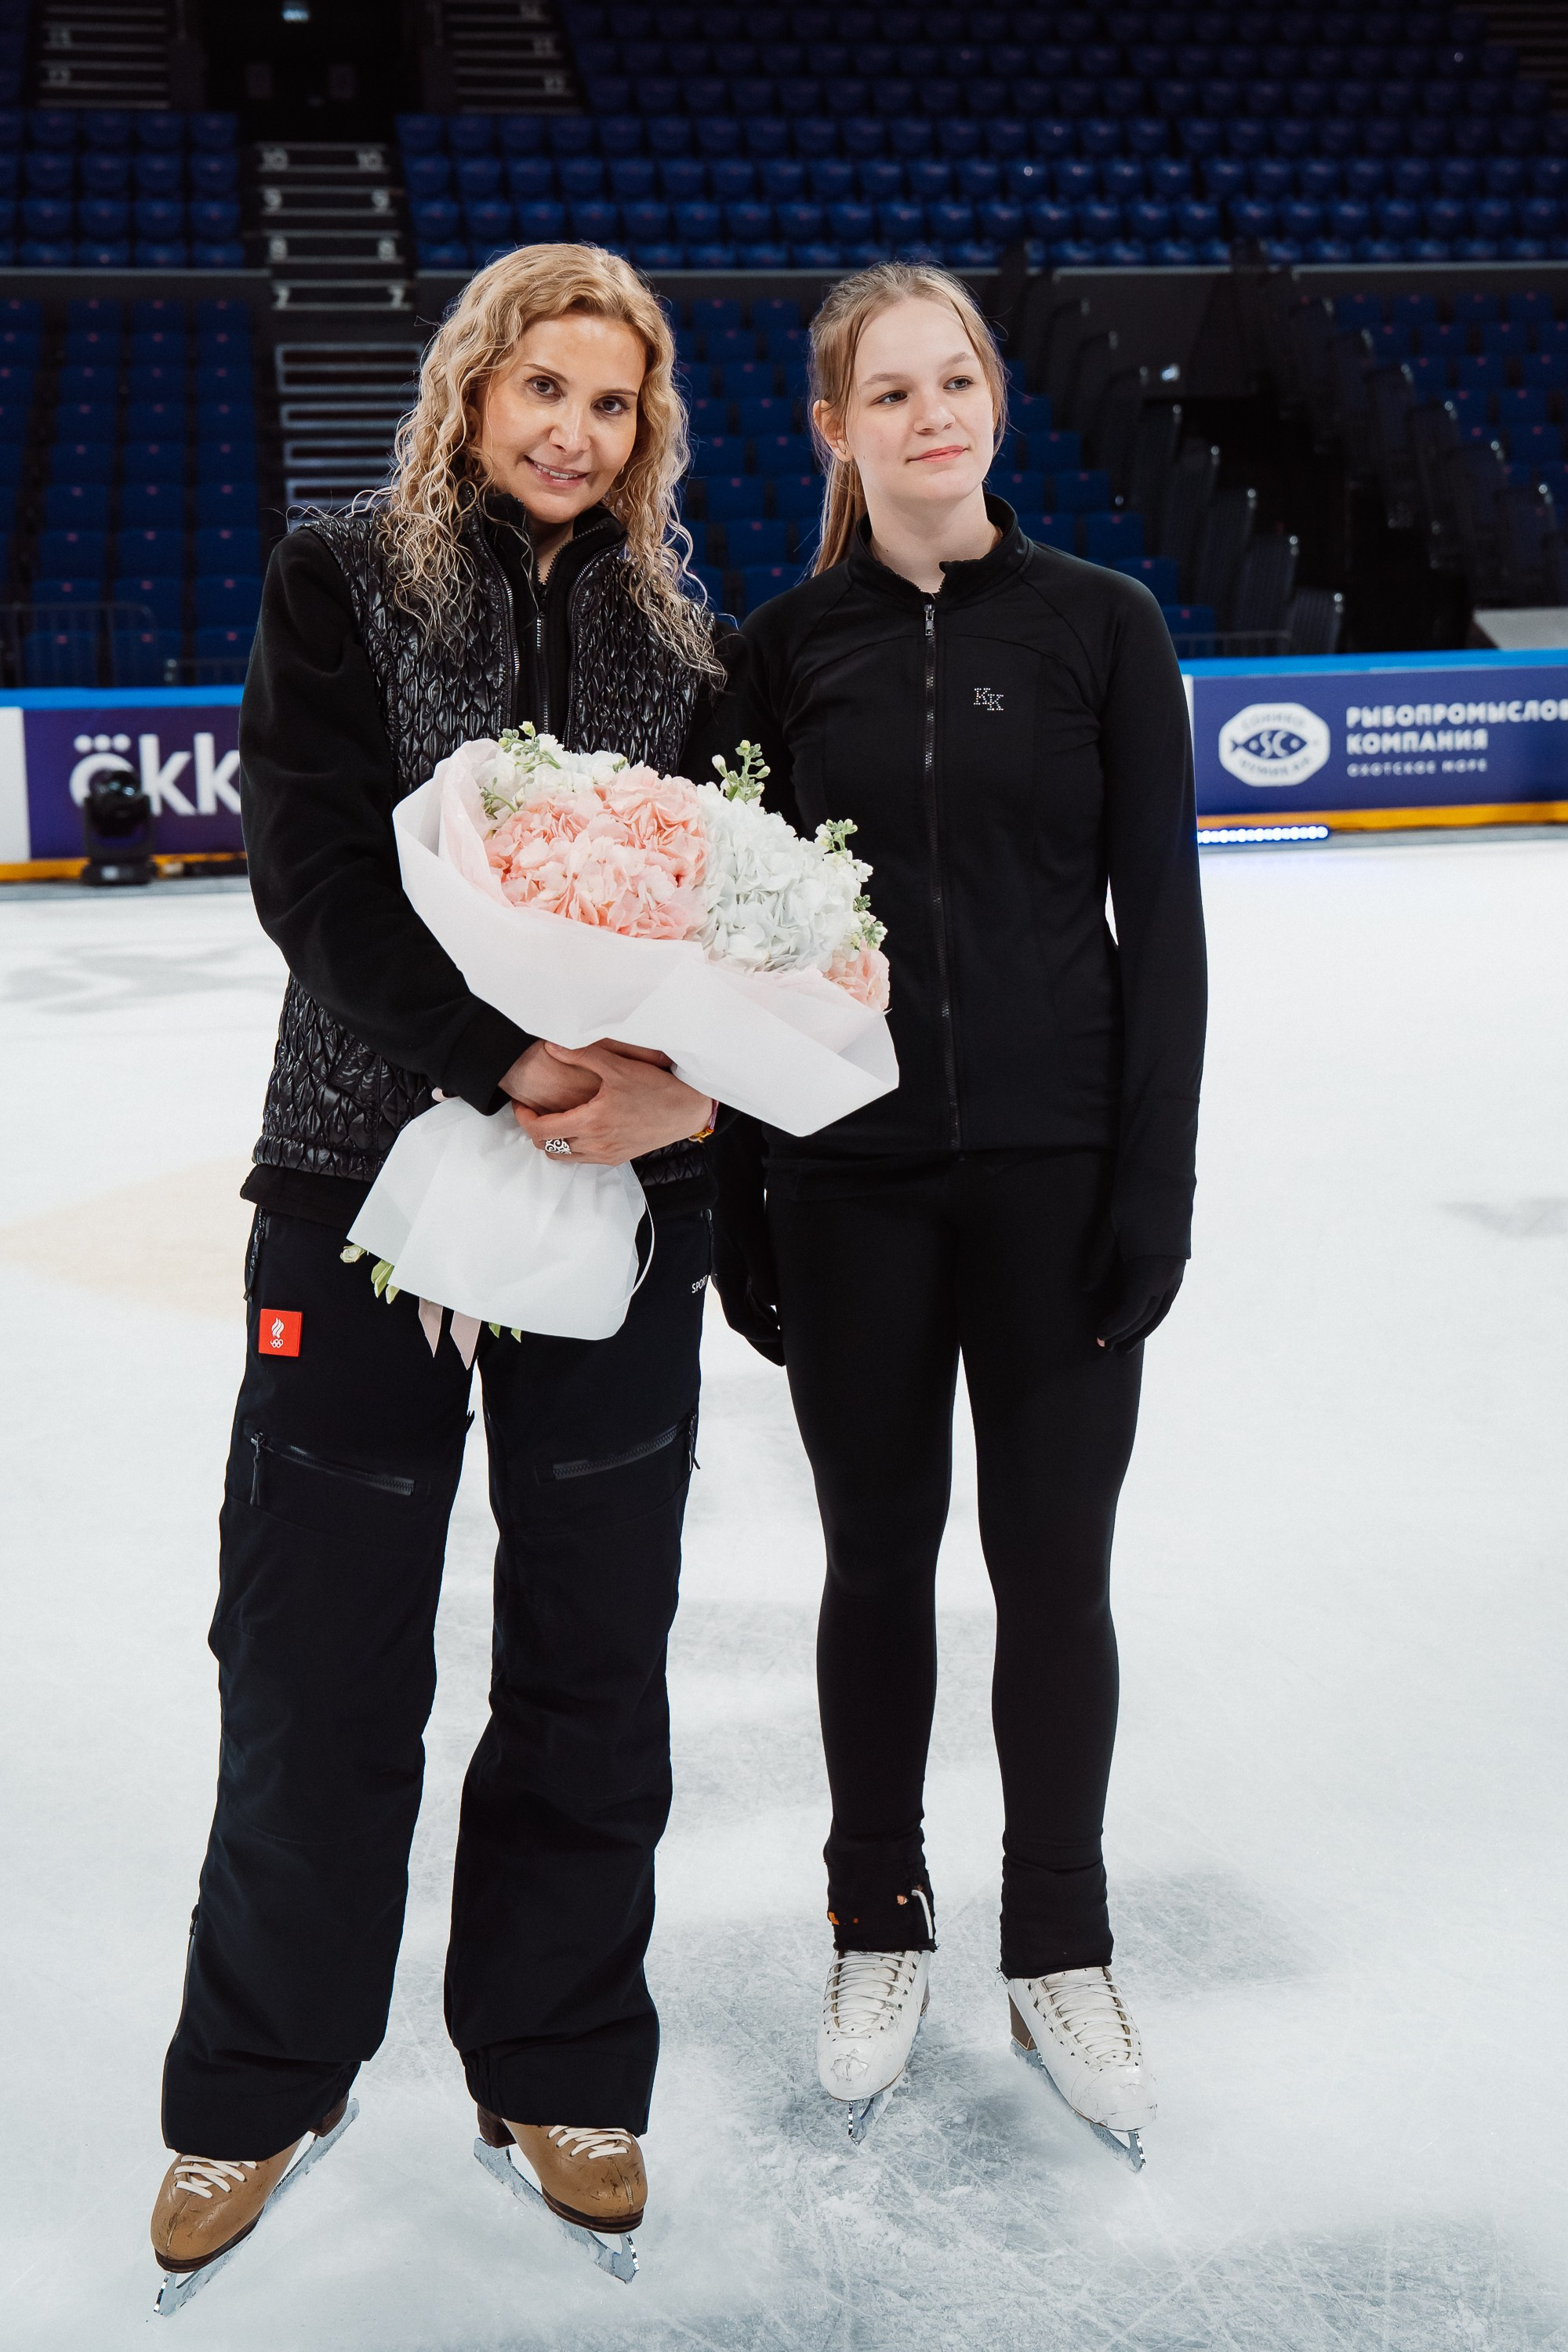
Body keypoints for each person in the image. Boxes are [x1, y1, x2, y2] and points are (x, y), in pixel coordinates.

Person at [151, 245, 726, 2297]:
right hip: (354, 1185)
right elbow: (308, 870)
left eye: (612, 403)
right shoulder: (345, 583)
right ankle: (258, 2084)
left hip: (608, 1216)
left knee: (589, 1674)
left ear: (645, 432)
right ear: (474, 391)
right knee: (316, 1664)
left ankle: (557, 2063)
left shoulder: (679, 635)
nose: (573, 430)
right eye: (541, 388)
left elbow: (722, 922)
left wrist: (673, 1096)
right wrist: (498, 1055)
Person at [702, 263, 1207, 2157]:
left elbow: (1160, 931)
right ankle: (876, 1916)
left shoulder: (1103, 627)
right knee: (875, 1568)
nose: (935, 414)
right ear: (833, 431)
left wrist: (1151, 1181)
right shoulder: (773, 657)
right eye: (890, 393)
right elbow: (738, 953)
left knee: (1054, 1573)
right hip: (851, 1194)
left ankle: (1059, 1944)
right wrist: (744, 1190)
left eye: (960, 378)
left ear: (994, 399)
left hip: (1062, 1181)